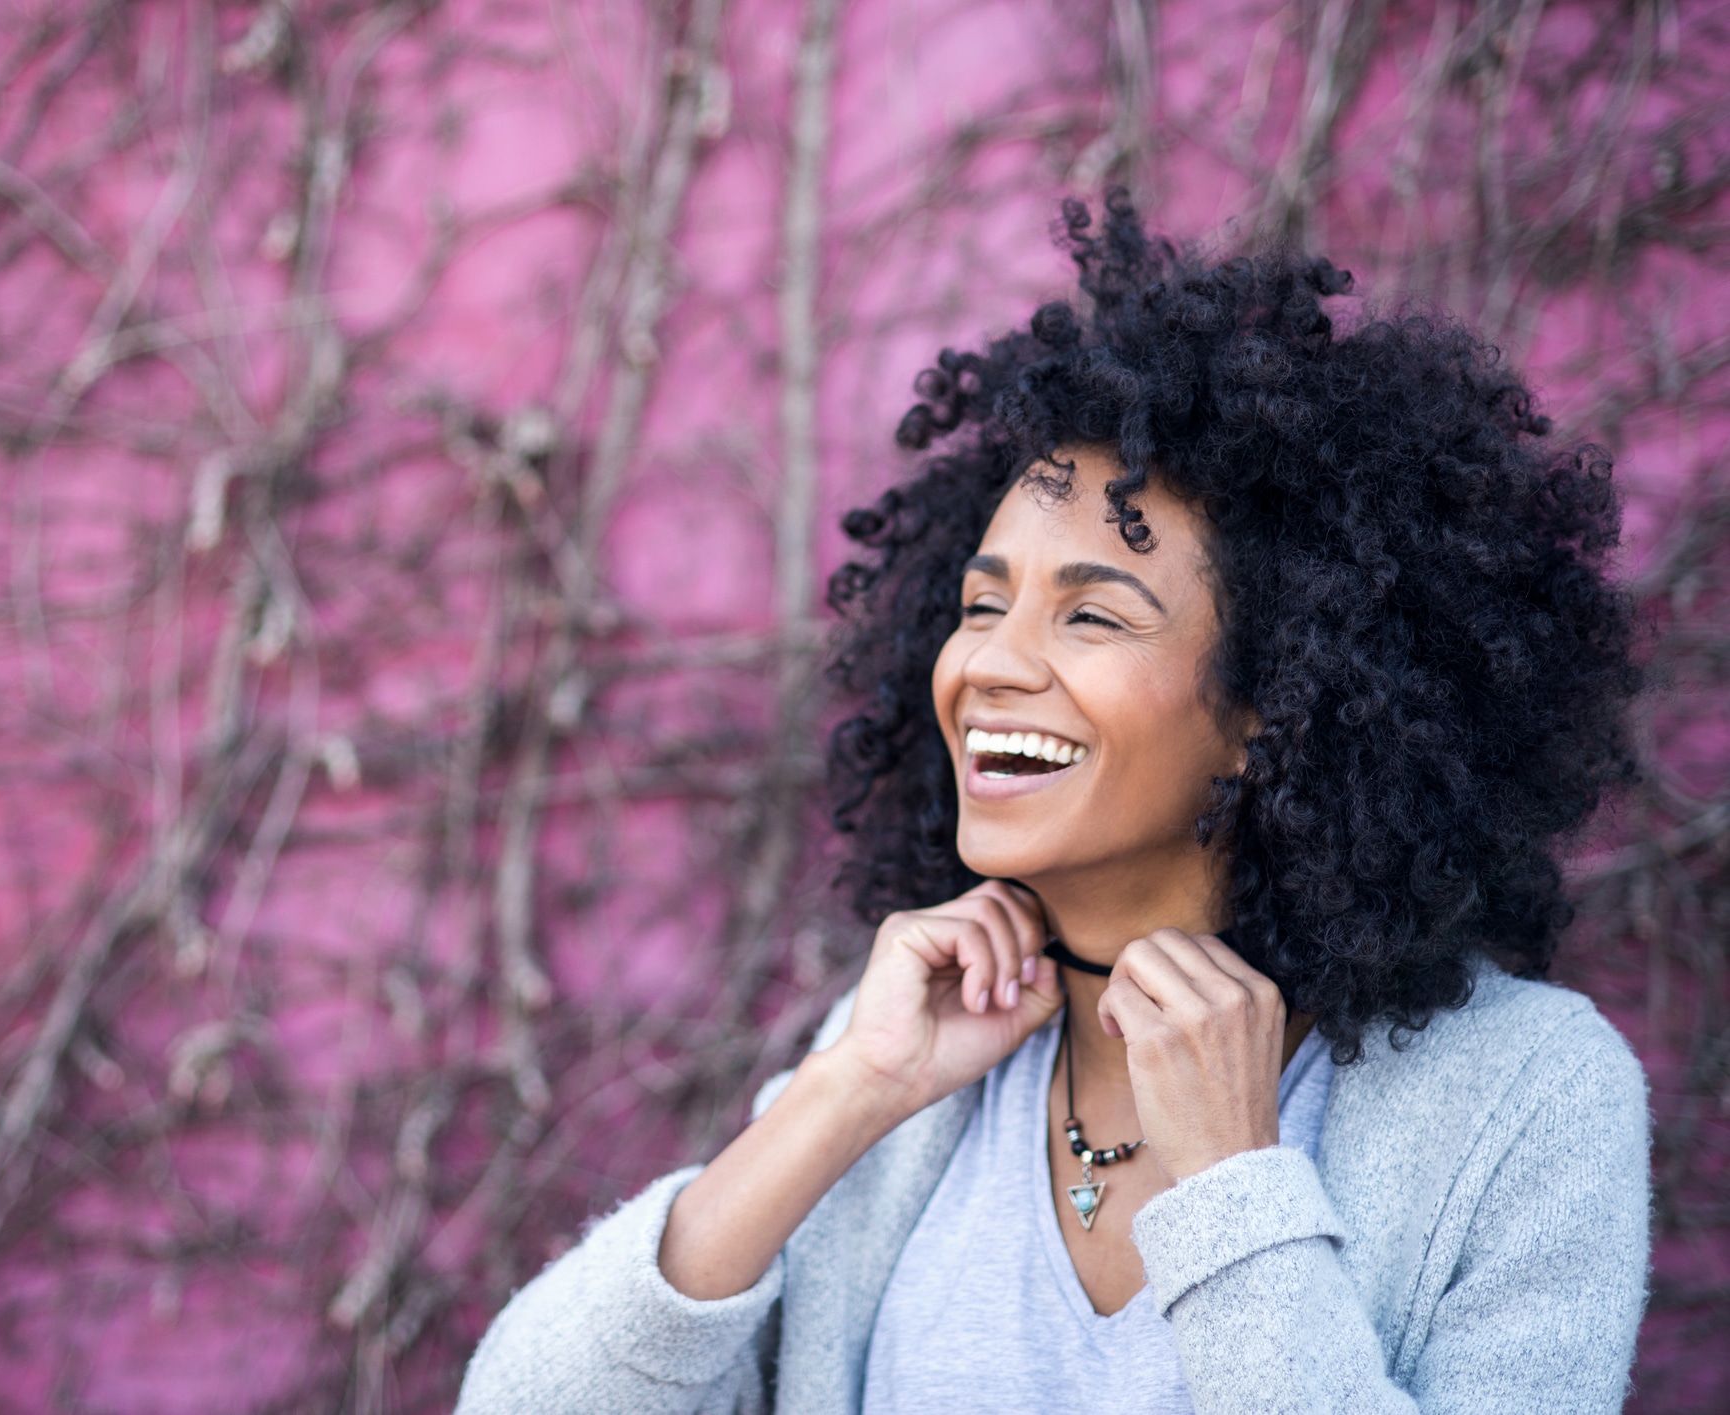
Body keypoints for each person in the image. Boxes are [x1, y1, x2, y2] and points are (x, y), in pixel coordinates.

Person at [455, 194, 1650, 1414]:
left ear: (1274, 703)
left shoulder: (1528, 1097)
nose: (990, 665)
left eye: (1091, 613)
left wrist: (1234, 1188)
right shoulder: (913, 1068)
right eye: (982, 605)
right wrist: (840, 1094)